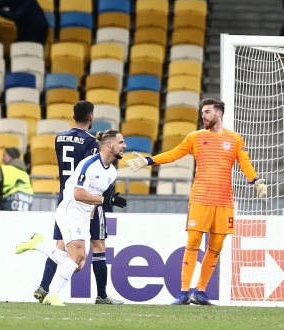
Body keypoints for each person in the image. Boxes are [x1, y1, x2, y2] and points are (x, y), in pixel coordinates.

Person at [126, 98, 267, 306]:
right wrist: (148, 161)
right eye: (203, 112)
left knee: (216, 248)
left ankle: (200, 291)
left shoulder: (236, 139)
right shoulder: (196, 137)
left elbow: (244, 163)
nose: (203, 115)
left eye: (208, 112)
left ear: (219, 114)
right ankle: (183, 292)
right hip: (200, 199)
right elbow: (175, 154)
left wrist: (255, 180)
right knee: (193, 243)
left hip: (224, 201)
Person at [16, 129, 128, 307]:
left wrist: (91, 216)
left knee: (78, 264)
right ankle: (52, 295)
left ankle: (37, 244)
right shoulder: (89, 164)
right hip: (71, 208)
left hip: (85, 214)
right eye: (121, 142)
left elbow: (95, 196)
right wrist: (107, 200)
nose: (125, 146)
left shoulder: (112, 173)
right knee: (77, 253)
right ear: (109, 144)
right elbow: (78, 194)